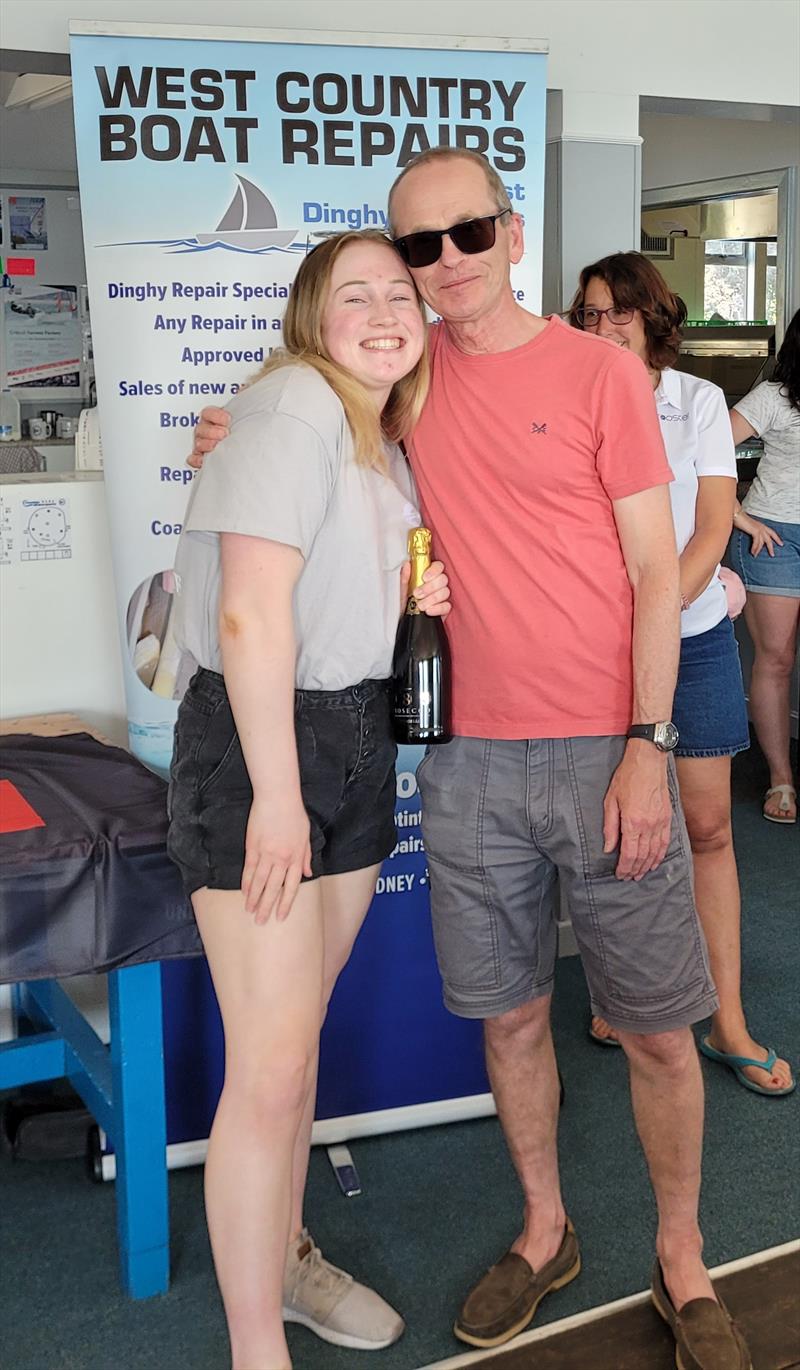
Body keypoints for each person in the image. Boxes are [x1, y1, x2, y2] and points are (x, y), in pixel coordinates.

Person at [191, 149, 752, 1370]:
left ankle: (681, 1250)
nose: (440, 266)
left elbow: (658, 571)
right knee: (506, 1022)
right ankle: (543, 1227)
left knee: (656, 1029)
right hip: (464, 765)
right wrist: (230, 432)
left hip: (609, 750)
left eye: (462, 236)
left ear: (508, 231)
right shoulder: (395, 376)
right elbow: (299, 434)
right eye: (414, 250)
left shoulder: (599, 373)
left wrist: (649, 745)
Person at [169, 228, 451, 1370]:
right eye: (354, 295)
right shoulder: (292, 402)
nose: (385, 310)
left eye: (401, 292)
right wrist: (276, 797)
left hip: (348, 733)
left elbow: (333, 585)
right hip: (260, 749)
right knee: (273, 1063)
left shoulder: (378, 436)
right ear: (308, 318)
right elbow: (246, 616)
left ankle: (283, 1259)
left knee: (293, 1045)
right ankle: (255, 1348)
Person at [568, 252, 794, 1098]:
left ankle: (726, 1019)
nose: (604, 328)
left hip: (689, 640)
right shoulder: (569, 397)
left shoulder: (695, 403)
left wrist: (659, 616)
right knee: (613, 832)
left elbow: (707, 530)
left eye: (619, 313)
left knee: (707, 831)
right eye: (589, 314)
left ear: (652, 319)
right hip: (595, 649)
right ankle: (623, 995)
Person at [729, 308, 800, 825]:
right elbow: (700, 454)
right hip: (775, 537)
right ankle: (781, 779)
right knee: (775, 660)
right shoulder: (773, 398)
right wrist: (739, 517)